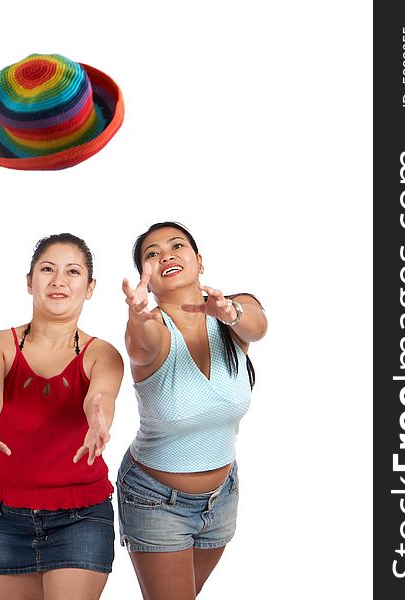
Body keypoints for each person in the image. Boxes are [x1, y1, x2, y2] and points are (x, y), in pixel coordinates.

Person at [0, 233, 124, 600]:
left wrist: (100, 418)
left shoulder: (104, 354)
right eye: (47, 269)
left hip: (81, 518)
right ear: (29, 281)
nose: (58, 281)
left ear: (90, 286)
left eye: (73, 271)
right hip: (4, 519)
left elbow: (101, 397)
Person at [117, 221, 268, 599]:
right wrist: (137, 314)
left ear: (199, 261)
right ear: (146, 280)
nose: (166, 254)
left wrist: (230, 312)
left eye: (177, 245)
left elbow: (258, 325)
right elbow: (141, 342)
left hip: (223, 497)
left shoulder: (233, 316)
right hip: (155, 499)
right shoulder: (152, 330)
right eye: (152, 254)